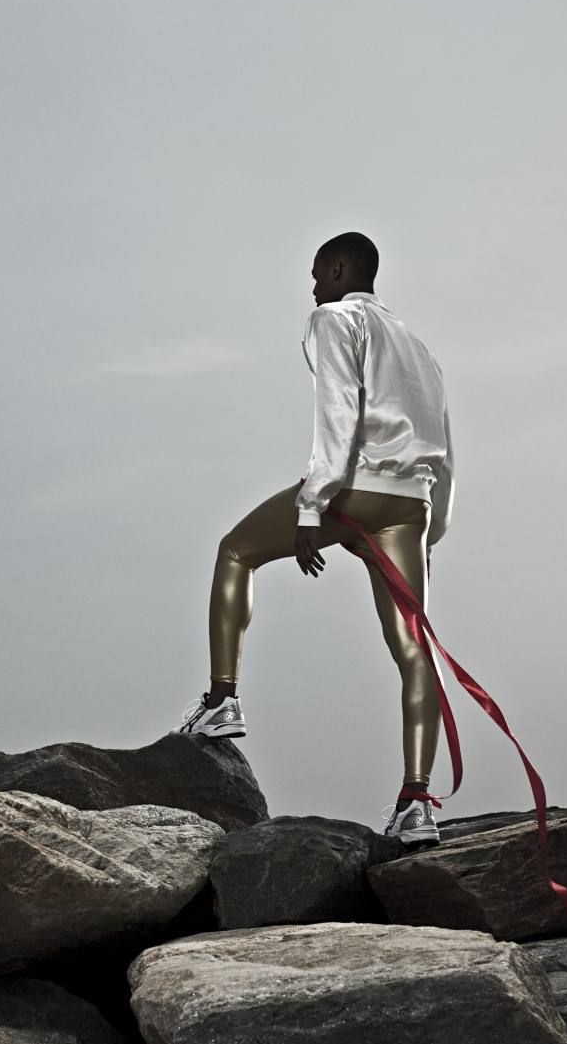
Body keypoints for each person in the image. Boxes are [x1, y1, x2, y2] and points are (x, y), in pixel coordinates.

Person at [171, 232, 454, 846]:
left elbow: (338, 413)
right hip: (411, 505)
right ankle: (417, 804)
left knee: (235, 551)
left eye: (317, 273)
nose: (313, 284)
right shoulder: (420, 349)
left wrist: (312, 504)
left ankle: (223, 701)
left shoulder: (333, 317)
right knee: (414, 650)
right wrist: (433, 528)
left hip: (354, 488)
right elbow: (445, 447)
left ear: (339, 267)